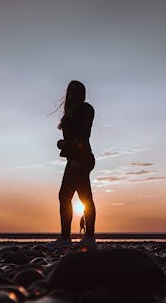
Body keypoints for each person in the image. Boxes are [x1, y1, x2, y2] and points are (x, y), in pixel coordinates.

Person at [48, 80, 97, 249]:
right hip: (77, 158)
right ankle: (84, 237)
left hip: (81, 159)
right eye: (69, 90)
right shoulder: (70, 112)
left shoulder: (85, 109)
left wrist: (76, 157)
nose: (71, 93)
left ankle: (69, 237)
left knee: (67, 196)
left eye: (75, 90)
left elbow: (83, 135)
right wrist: (64, 144)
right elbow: (73, 137)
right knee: (82, 197)